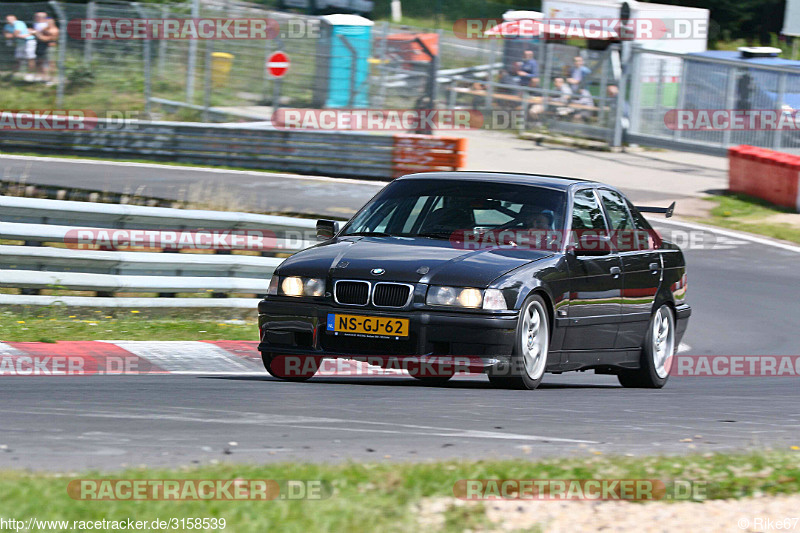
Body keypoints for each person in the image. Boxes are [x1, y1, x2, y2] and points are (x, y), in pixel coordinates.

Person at [34, 13, 57, 82]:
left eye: (47, 22)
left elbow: (46, 39)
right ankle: (44, 78)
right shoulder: (46, 29)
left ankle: (51, 79)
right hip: (43, 47)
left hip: (49, 48)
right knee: (41, 63)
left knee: (50, 64)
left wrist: (37, 34)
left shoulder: (54, 30)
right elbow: (39, 32)